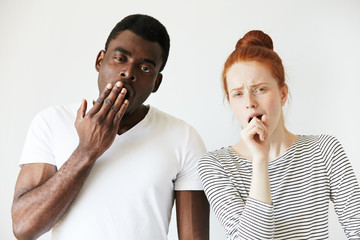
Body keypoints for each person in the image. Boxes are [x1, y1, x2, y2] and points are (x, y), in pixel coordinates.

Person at [11, 14, 209, 240]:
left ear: (156, 83)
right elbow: (23, 227)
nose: (128, 73)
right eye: (119, 58)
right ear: (99, 61)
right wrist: (86, 150)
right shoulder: (51, 122)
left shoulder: (183, 137)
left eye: (144, 68)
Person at [198, 30, 360, 239]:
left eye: (260, 89)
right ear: (230, 102)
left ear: (283, 94)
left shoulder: (324, 150)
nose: (249, 102)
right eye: (238, 94)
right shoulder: (215, 165)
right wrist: (260, 160)